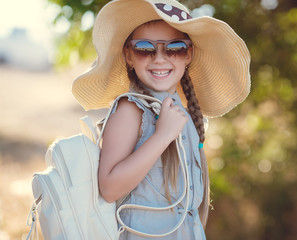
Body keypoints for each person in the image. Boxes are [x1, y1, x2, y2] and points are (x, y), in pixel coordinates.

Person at [72, 0, 251, 239]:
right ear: (129, 55)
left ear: (188, 54)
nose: (159, 58)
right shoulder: (130, 109)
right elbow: (109, 188)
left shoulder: (183, 114)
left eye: (174, 48)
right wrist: (163, 136)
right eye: (144, 48)